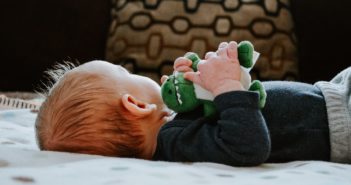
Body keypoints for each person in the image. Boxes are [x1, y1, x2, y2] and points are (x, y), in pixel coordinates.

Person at [35, 41, 351, 166]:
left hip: (330, 95)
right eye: (124, 72)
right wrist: (226, 87)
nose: (136, 73)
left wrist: (204, 85)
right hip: (339, 121)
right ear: (135, 104)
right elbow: (247, 145)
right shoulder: (176, 144)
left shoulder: (174, 125)